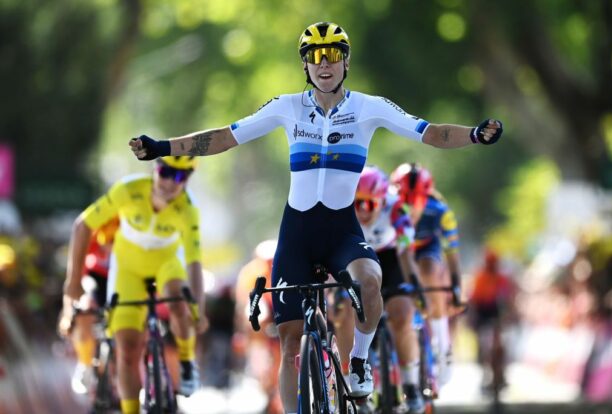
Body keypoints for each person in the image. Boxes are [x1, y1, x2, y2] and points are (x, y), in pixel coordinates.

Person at [128, 21, 503, 413]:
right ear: (305, 66)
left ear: (346, 62)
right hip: (298, 234)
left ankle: (358, 359)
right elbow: (224, 136)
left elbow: (431, 132)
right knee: (290, 341)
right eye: (316, 57)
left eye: (333, 55)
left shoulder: (367, 108)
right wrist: (163, 147)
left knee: (371, 282)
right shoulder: (287, 107)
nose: (325, 64)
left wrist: (475, 134)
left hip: (342, 231)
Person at [62, 156, 208, 414]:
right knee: (127, 350)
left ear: (187, 181)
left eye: (179, 176)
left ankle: (187, 363)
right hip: (128, 269)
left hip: (166, 265)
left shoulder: (188, 209)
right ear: (155, 168)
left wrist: (198, 309)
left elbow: (194, 263)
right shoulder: (128, 190)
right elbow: (82, 225)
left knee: (179, 300)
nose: (169, 182)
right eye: (165, 171)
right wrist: (72, 282)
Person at [333, 165, 427, 413]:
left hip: (390, 258)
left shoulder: (397, 209)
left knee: (402, 314)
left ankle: (410, 384)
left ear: (383, 200)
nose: (363, 210)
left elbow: (406, 256)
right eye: (358, 203)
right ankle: (351, 382)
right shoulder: (342, 209)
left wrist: (415, 288)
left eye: (370, 204)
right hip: (356, 259)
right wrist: (335, 293)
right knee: (343, 316)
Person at [390, 162, 464, 387]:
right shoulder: (390, 207)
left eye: (417, 200)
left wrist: (456, 287)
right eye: (405, 199)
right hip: (398, 247)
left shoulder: (441, 213)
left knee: (429, 270)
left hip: (426, 249)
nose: (411, 207)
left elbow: (452, 255)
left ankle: (443, 343)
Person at [58, 216, 119, 395]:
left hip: (124, 281)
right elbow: (75, 284)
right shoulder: (91, 240)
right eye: (107, 240)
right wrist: (69, 313)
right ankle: (85, 363)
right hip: (97, 281)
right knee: (84, 308)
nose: (110, 244)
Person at [233, 239, 282, 414]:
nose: (270, 265)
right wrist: (245, 333)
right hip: (260, 309)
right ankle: (259, 361)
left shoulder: (285, 268)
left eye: (273, 260)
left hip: (280, 309)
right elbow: (245, 305)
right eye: (266, 261)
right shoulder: (250, 273)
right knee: (258, 317)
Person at [468, 248, 516, 393]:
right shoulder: (480, 278)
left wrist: (509, 315)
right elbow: (474, 301)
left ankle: (501, 373)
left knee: (500, 343)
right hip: (484, 315)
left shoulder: (502, 279)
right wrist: (473, 318)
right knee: (483, 345)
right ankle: (485, 372)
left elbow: (509, 300)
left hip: (497, 314)